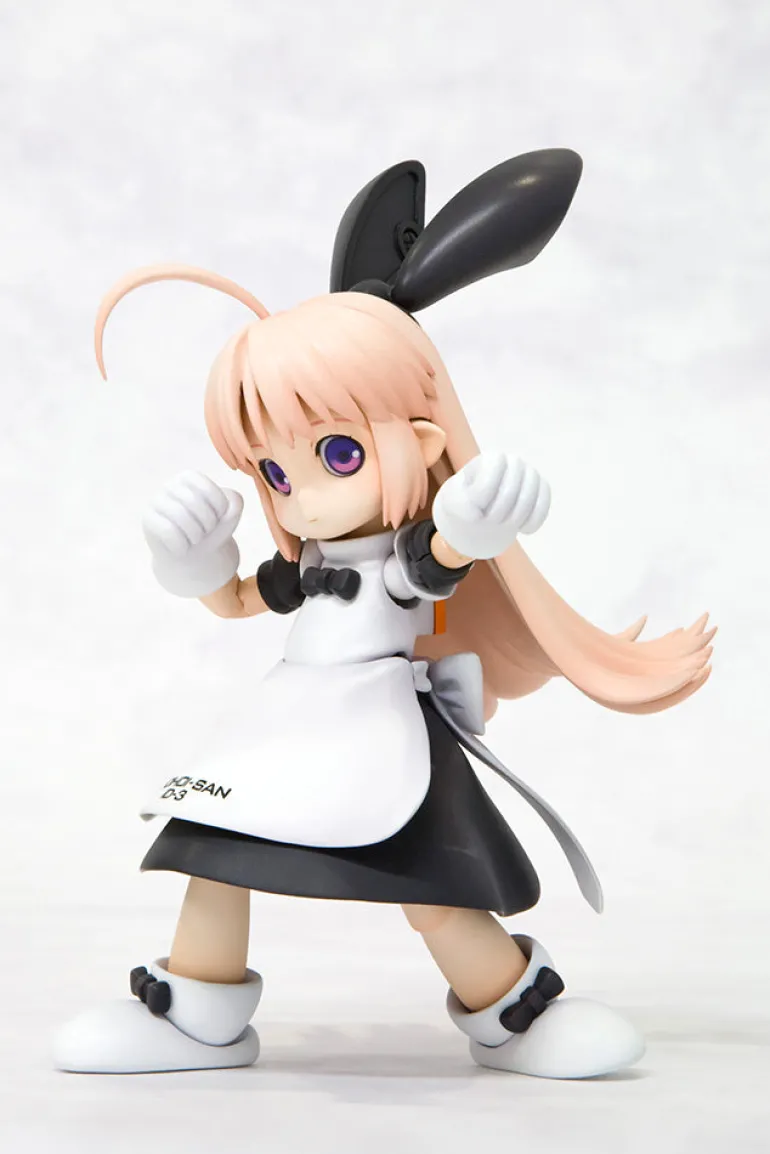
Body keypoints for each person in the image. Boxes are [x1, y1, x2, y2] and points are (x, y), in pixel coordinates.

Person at [54, 152, 713, 1079]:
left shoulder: (399, 559)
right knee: (213, 857)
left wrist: (470, 528)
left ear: (425, 441)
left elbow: (436, 563)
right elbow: (239, 599)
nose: (301, 492)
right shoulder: (310, 562)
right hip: (284, 728)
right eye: (275, 470)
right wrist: (192, 563)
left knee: (432, 885)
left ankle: (513, 1014)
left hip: (382, 737)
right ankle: (193, 1014)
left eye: (336, 453)